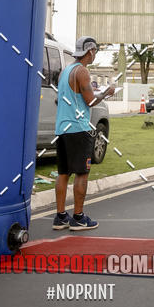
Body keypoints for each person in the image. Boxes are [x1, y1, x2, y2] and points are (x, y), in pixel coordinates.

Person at [53, 36, 115, 231]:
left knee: (63, 173)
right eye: (95, 51)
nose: (95, 54)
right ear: (90, 51)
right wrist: (106, 93)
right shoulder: (82, 72)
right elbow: (90, 101)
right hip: (78, 129)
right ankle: (78, 217)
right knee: (82, 173)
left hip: (62, 128)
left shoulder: (65, 71)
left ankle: (61, 216)